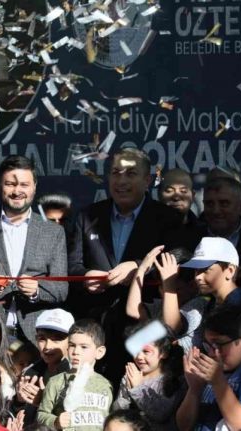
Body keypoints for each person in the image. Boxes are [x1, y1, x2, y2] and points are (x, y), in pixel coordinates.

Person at [67, 148, 185, 385]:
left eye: (131, 174)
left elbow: (178, 255)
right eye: (115, 173)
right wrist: (86, 276)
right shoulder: (88, 216)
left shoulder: (168, 218)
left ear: (147, 180)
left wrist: (139, 267)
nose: (121, 181)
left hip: (145, 327)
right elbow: (71, 266)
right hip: (97, 326)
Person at [0, 155, 68, 343]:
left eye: (24, 184)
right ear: (0, 185)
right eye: (10, 184)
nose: (17, 191)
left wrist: (36, 291)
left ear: (34, 187)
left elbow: (61, 289)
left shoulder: (53, 232)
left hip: (36, 336)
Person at [169, 237, 241, 358]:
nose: (198, 277)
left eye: (205, 270)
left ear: (230, 270)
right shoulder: (212, 303)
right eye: (197, 270)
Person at [37, 320, 113, 431]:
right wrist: (55, 421)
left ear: (99, 352)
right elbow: (41, 414)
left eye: (84, 347)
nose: (76, 351)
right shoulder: (56, 382)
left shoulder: (106, 385)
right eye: (72, 345)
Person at [112, 324, 185, 431]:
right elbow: (118, 414)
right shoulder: (132, 375)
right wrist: (126, 392)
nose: (139, 356)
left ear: (164, 352)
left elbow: (161, 414)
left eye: (146, 351)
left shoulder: (174, 380)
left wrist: (137, 388)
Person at [15, 309, 74, 424]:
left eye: (57, 339)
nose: (47, 346)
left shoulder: (76, 376)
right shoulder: (30, 373)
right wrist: (19, 400)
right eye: (42, 338)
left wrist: (43, 401)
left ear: (70, 341)